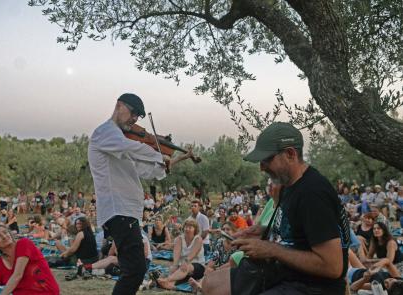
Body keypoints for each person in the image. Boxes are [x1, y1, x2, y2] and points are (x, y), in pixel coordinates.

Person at [202, 122, 350, 295]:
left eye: (267, 159)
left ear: (290, 154)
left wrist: (271, 249)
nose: (262, 167)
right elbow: (297, 232)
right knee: (211, 283)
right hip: (284, 271)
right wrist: (262, 231)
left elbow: (332, 267)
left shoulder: (312, 193)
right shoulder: (287, 184)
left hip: (314, 285)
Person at [88, 93, 192, 295]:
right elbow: (132, 147)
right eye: (133, 112)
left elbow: (142, 170)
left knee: (134, 269)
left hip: (127, 212)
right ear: (119, 106)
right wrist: (157, 154)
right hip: (120, 211)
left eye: (138, 116)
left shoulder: (118, 141)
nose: (135, 119)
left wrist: (164, 163)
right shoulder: (106, 133)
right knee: (136, 269)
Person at [0, 224, 59, 295]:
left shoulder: (24, 244)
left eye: (5, 232)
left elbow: (17, 275)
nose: (4, 236)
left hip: (46, 292)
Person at [157, 219, 205, 290]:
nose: (187, 229)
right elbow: (176, 254)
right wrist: (175, 265)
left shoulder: (198, 239)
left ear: (195, 229)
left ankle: (167, 280)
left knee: (185, 266)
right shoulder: (179, 239)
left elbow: (193, 254)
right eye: (186, 227)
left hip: (197, 266)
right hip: (182, 266)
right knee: (174, 268)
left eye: (190, 227)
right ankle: (170, 285)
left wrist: (185, 262)